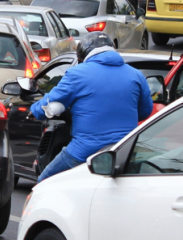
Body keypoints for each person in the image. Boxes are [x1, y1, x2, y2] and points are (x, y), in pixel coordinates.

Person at [28, 32, 152, 181]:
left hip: (84, 151)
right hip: (124, 150)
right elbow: (145, 111)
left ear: (83, 55)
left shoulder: (76, 74)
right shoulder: (136, 75)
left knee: (44, 184)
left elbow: (50, 103)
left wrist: (34, 110)